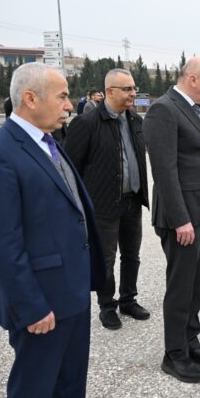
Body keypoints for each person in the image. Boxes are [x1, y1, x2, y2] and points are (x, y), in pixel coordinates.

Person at [0, 63, 107, 398]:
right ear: (31, 98)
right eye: (62, 96)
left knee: (70, 378)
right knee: (35, 386)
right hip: (41, 299)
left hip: (72, 289)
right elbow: (1, 243)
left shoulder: (49, 143)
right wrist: (31, 305)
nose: (69, 105)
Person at [143, 56, 200, 384]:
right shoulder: (164, 109)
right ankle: (174, 354)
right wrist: (181, 219)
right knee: (181, 287)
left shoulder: (194, 107)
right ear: (192, 79)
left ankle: (190, 341)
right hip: (183, 218)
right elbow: (164, 170)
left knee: (196, 285)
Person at [65, 68, 150, 330]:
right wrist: (79, 206)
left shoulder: (136, 121)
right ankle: (106, 305)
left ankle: (128, 299)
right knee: (106, 259)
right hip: (103, 205)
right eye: (127, 89)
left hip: (132, 201)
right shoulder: (87, 123)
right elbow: (71, 168)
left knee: (132, 255)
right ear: (110, 92)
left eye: (134, 88)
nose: (133, 93)